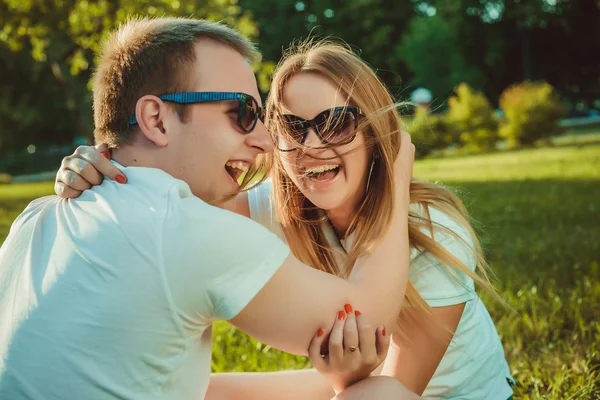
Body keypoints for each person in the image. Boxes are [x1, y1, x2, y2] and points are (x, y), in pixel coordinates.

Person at [55, 38, 514, 399]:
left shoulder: (432, 231)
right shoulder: (270, 205)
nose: (312, 145)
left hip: (418, 394)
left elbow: (387, 388)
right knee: (193, 394)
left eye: (336, 122)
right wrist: (101, 165)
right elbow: (170, 204)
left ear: (375, 132)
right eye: (293, 127)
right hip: (344, 385)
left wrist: (396, 186)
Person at [0, 18, 421, 400]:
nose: (267, 141)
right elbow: (366, 316)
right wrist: (396, 176)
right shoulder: (181, 226)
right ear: (156, 119)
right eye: (241, 112)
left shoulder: (36, 218)